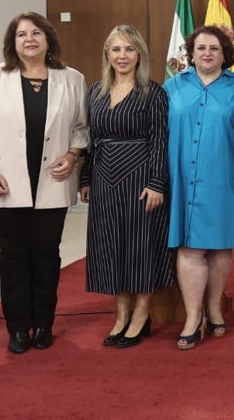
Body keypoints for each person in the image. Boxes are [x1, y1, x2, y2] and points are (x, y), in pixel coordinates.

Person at [0, 12, 90, 354]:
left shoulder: (72, 78)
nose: (29, 39)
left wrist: (74, 153)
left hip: (53, 182)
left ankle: (44, 324)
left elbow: (81, 127)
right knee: (14, 256)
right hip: (4, 183)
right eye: (21, 34)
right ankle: (18, 327)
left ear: (48, 39)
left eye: (36, 33)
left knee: (47, 256)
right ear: (12, 42)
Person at [79, 25, 174, 348]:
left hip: (141, 178)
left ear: (140, 55)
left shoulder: (154, 92)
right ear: (107, 53)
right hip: (105, 177)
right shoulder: (96, 91)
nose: (122, 56)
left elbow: (161, 142)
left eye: (129, 49)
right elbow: (92, 141)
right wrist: (86, 178)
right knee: (111, 246)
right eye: (116, 49)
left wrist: (157, 182)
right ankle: (120, 314)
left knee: (140, 246)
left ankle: (141, 314)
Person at [166, 25, 234, 350]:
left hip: (225, 177)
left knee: (219, 246)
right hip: (182, 178)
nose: (207, 53)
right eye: (201, 48)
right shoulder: (172, 87)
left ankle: (215, 305)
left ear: (224, 54)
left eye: (214, 48)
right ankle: (193, 315)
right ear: (191, 52)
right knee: (189, 247)